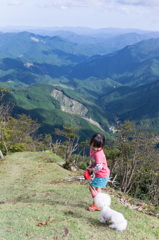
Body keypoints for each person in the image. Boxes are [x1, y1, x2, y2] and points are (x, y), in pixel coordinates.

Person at [87, 133, 110, 211]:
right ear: (91, 143)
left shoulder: (98, 154)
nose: (96, 148)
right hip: (102, 174)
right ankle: (97, 204)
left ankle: (98, 204)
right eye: (94, 146)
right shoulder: (91, 149)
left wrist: (92, 170)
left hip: (102, 174)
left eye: (98, 147)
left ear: (102, 146)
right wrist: (91, 165)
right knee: (97, 188)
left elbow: (99, 167)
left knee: (91, 187)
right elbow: (92, 159)